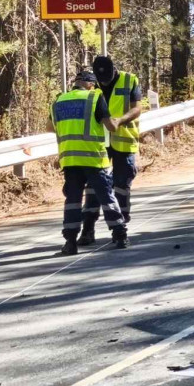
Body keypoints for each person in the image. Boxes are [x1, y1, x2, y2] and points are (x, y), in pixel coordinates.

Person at [49, 71, 129, 255]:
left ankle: (70, 242)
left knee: (73, 201)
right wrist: (118, 122)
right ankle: (120, 235)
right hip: (93, 158)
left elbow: (49, 127)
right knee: (106, 197)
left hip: (70, 159)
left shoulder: (58, 100)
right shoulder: (94, 97)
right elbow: (110, 126)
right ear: (91, 84)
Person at [78, 55, 142, 245]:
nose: (103, 81)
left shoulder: (130, 80)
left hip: (123, 141)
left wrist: (120, 121)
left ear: (115, 69)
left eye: (106, 78)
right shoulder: (92, 85)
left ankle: (120, 230)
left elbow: (137, 108)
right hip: (99, 144)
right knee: (93, 187)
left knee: (121, 186)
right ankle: (88, 229)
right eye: (100, 79)